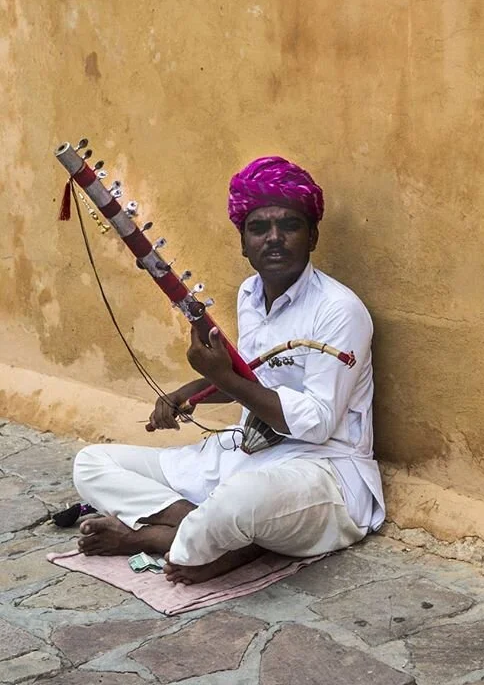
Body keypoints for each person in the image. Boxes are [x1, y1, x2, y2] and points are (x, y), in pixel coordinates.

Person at [73, 156, 385, 584]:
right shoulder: (250, 295)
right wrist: (190, 391)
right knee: (92, 462)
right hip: (245, 455)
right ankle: (208, 533)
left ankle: (154, 538)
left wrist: (222, 378)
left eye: (289, 226)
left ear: (312, 236)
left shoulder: (339, 310)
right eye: (259, 228)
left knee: (241, 499)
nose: (273, 238)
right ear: (242, 243)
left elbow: (315, 424)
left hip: (320, 472)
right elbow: (255, 381)